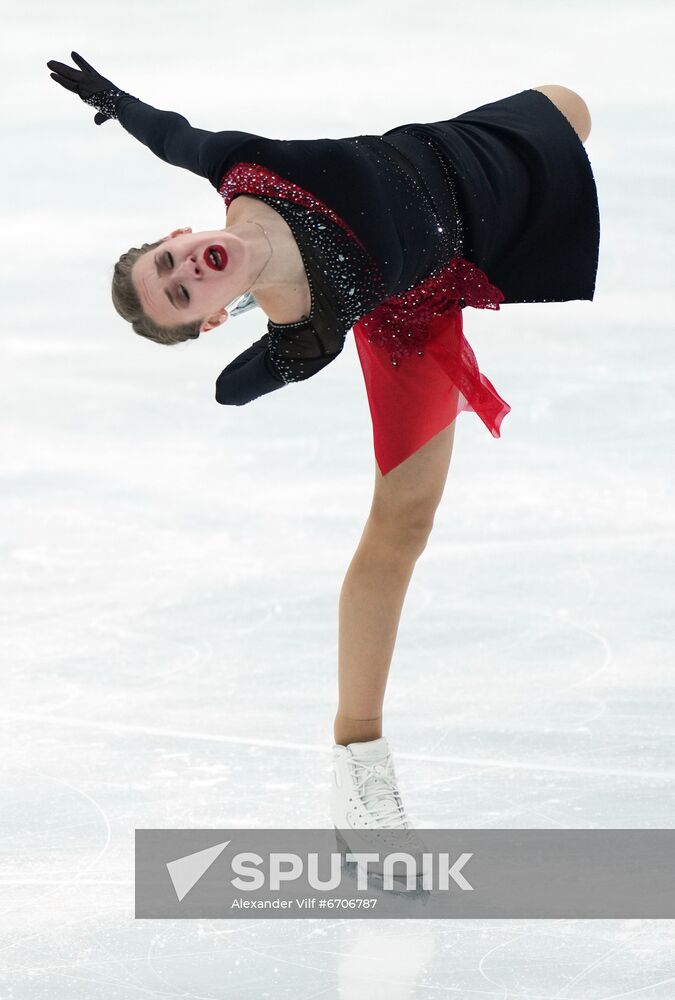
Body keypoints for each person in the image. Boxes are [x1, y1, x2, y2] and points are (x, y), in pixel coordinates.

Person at [47, 53, 599, 847]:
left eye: (169, 261)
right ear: (207, 320)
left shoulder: (243, 167)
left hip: (454, 154)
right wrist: (273, 327)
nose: (184, 272)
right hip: (416, 301)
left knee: (571, 106)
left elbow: (171, 134)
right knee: (403, 522)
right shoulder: (303, 327)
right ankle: (359, 760)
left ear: (178, 234)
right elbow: (231, 390)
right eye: (182, 296)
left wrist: (113, 99)